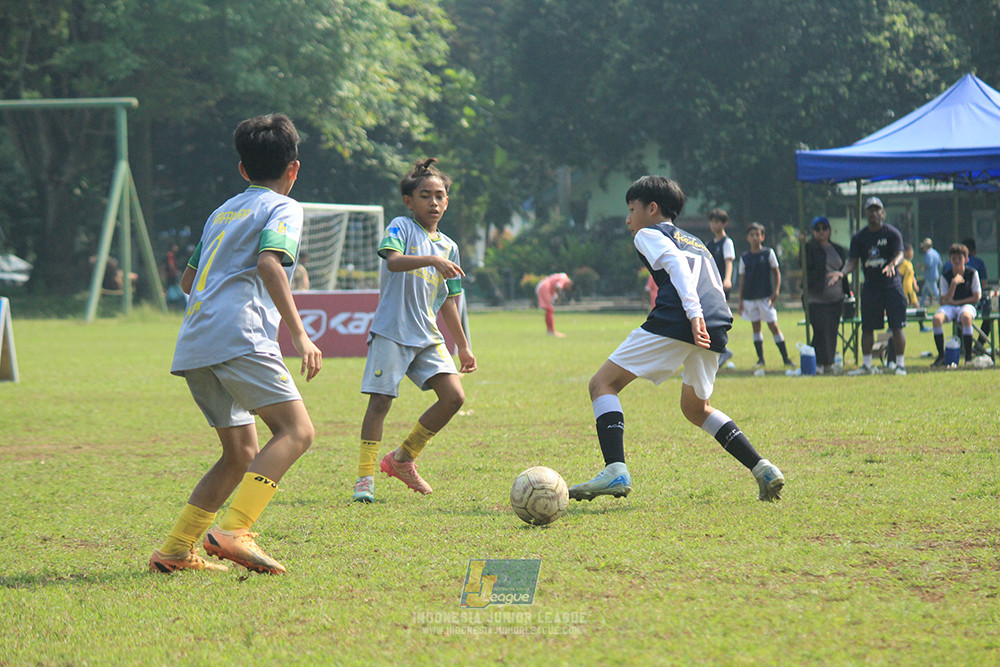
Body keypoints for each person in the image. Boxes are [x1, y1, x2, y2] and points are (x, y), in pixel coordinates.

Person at [148, 114, 322, 575]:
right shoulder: (284, 207)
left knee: (240, 451)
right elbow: (270, 265)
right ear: (294, 169)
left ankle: (174, 550)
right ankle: (234, 531)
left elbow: (188, 280)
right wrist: (300, 333)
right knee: (297, 432)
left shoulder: (219, 213)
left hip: (195, 341)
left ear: (243, 170)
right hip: (239, 334)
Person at [568, 175, 784, 504]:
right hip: (716, 324)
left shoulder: (648, 233)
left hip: (683, 318)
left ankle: (615, 469)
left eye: (631, 209)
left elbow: (675, 264)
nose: (628, 219)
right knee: (696, 408)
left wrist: (693, 313)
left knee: (602, 384)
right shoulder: (695, 240)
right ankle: (762, 467)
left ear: (652, 209)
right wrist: (702, 318)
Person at [352, 158, 477, 503]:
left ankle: (402, 458)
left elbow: (449, 300)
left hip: (427, 334)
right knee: (380, 402)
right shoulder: (401, 228)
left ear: (447, 201)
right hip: (392, 331)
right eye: (425, 196)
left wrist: (464, 347)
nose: (433, 203)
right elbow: (392, 260)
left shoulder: (449, 246)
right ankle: (364, 479)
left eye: (440, 196)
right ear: (409, 201)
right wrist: (432, 261)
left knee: (454, 397)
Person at [829, 197, 907, 376]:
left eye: (877, 209)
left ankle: (900, 365)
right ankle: (866, 365)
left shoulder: (892, 233)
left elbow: (900, 254)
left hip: (891, 286)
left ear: (882, 213)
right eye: (870, 210)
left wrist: (892, 265)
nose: (873, 213)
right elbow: (853, 261)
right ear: (866, 213)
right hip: (871, 287)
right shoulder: (860, 237)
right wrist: (842, 273)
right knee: (867, 328)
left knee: (896, 326)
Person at [737, 222, 794, 371]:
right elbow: (742, 279)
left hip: (765, 297)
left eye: (758, 234)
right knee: (756, 326)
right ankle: (760, 359)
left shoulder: (768, 253)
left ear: (762, 237)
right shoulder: (745, 257)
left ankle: (786, 358)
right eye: (752, 235)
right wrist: (741, 300)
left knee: (773, 326)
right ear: (747, 238)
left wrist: (776, 292)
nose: (755, 237)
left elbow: (776, 272)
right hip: (750, 297)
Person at [803, 216, 848, 374]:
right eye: (818, 229)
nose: (821, 231)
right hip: (816, 297)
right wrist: (802, 243)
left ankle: (828, 363)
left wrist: (847, 290)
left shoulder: (838, 249)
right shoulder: (809, 248)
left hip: (836, 297)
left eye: (824, 228)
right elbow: (802, 263)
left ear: (829, 230)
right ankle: (816, 362)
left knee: (832, 330)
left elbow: (844, 270)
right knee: (820, 329)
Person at [931, 243, 982, 366]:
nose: (957, 261)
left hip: (966, 305)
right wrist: (953, 284)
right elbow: (944, 300)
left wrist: (956, 302)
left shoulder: (972, 273)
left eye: (960, 258)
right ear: (950, 260)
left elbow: (976, 297)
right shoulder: (946, 275)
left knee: (966, 317)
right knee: (936, 319)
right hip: (950, 307)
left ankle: (968, 357)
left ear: (966, 259)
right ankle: (941, 356)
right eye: (954, 258)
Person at [944, 237, 991, 354]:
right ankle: (979, 344)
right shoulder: (979, 263)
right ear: (973, 251)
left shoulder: (947, 265)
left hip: (960, 304)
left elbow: (943, 298)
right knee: (987, 316)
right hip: (968, 304)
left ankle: (962, 347)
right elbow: (983, 285)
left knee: (964, 316)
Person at [705, 207, 736, 367]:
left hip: (721, 287)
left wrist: (728, 279)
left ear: (724, 223)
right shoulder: (709, 244)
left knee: (718, 319)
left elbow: (728, 261)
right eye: (711, 221)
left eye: (716, 221)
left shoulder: (727, 242)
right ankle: (721, 350)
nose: (713, 224)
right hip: (711, 287)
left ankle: (722, 350)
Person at [536, 272, 573, 336]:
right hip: (545, 287)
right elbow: (558, 287)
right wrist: (559, 298)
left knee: (549, 310)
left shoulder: (561, 275)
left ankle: (549, 330)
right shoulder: (563, 279)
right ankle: (552, 331)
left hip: (543, 286)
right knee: (550, 309)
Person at [920, 237, 942, 307]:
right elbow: (940, 264)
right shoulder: (936, 253)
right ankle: (921, 306)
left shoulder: (928, 254)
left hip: (930, 276)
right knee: (924, 291)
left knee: (935, 292)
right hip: (935, 275)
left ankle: (943, 303)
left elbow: (928, 263)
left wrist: (920, 266)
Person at [900, 243, 919, 308]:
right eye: (911, 251)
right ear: (905, 252)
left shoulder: (909, 263)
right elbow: (900, 275)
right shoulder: (903, 263)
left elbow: (912, 275)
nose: (912, 253)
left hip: (911, 289)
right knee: (911, 306)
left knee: (916, 306)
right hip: (905, 289)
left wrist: (915, 284)